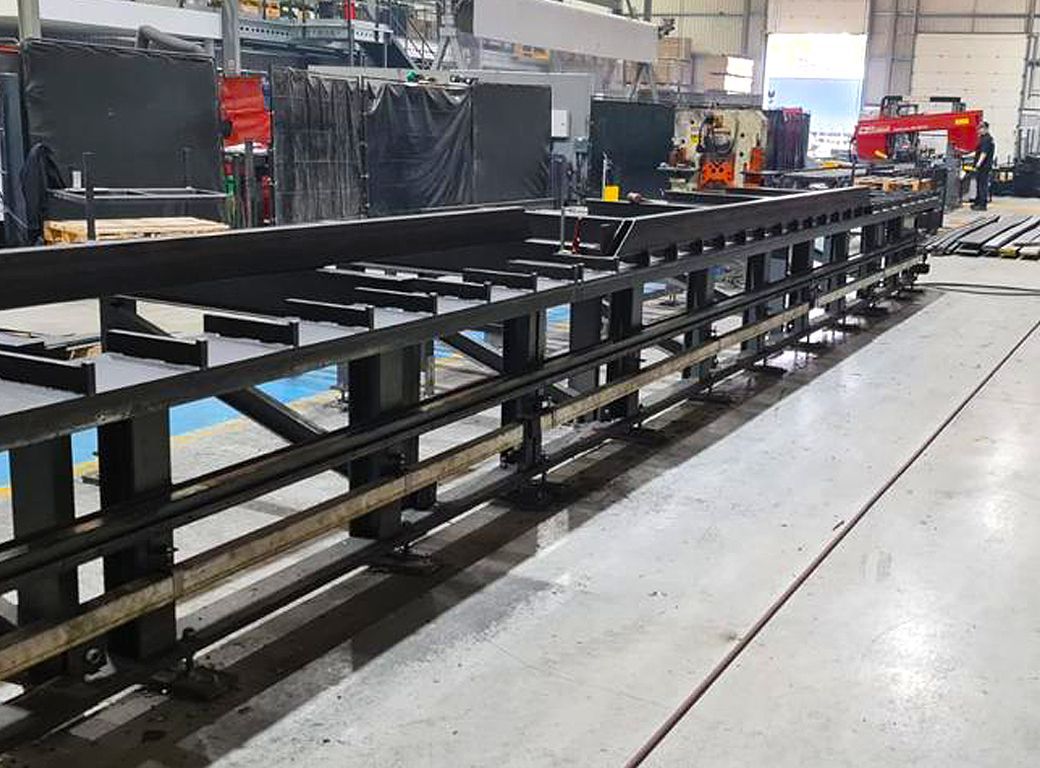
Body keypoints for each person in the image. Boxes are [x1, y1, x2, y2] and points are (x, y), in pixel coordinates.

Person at [972, 121, 995, 210]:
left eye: (980, 129)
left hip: (984, 166)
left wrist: (978, 164)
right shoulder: (984, 138)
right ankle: (978, 202)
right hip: (984, 166)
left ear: (985, 129)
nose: (978, 131)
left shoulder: (986, 139)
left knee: (982, 185)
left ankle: (982, 204)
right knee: (979, 184)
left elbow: (984, 153)